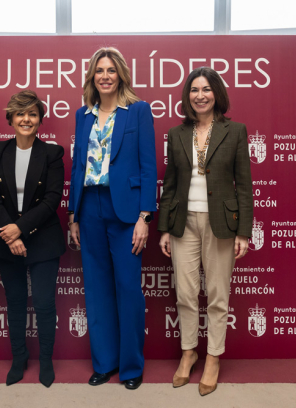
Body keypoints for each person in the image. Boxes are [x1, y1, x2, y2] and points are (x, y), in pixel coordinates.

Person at [157, 67, 253, 396]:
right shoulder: (176, 133)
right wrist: (165, 229)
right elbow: (169, 185)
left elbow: (244, 185)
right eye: (195, 90)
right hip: (183, 222)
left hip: (222, 224)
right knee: (185, 293)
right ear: (187, 96)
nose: (200, 95)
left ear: (217, 94)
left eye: (207, 89)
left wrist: (243, 231)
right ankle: (188, 353)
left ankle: (213, 358)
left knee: (217, 295)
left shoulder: (236, 130)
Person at [68, 47, 157, 390]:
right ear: (92, 76)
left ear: (120, 74)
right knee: (97, 290)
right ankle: (104, 364)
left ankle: (132, 367)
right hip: (89, 208)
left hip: (126, 212)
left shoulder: (138, 111)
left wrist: (144, 217)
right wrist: (73, 214)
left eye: (111, 70)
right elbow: (78, 167)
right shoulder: (83, 115)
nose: (105, 75)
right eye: (99, 70)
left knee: (128, 290)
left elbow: (148, 167)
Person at [0, 90, 65, 388]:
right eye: (20, 113)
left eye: (32, 113)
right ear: (11, 119)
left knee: (44, 304)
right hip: (7, 239)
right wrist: (11, 233)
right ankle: (19, 359)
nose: (26, 119)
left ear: (40, 119)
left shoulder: (52, 153)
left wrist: (21, 229)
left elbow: (52, 200)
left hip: (42, 238)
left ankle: (46, 360)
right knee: (15, 302)